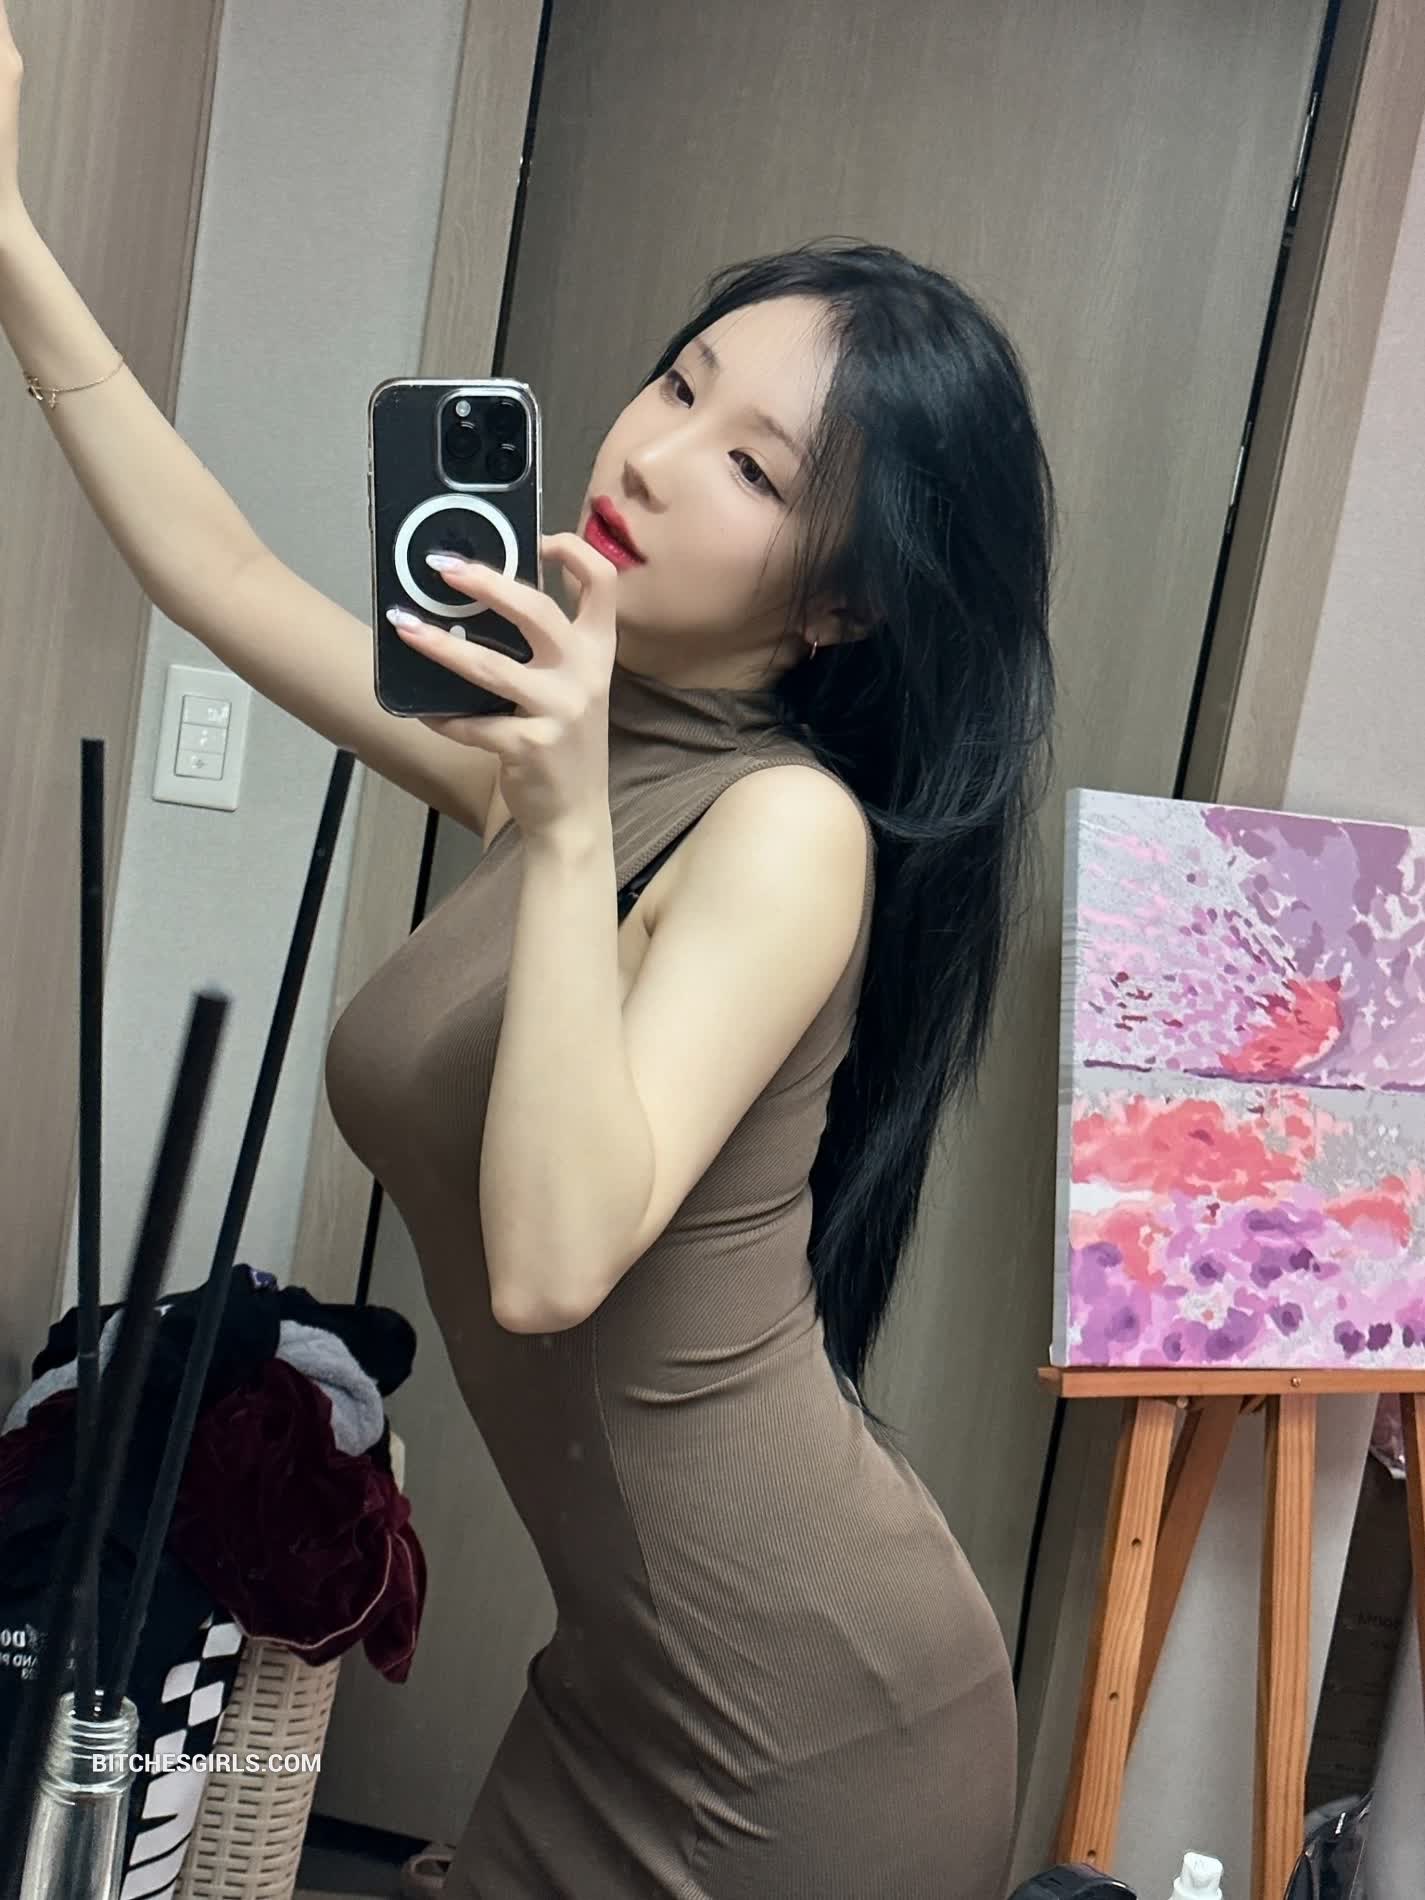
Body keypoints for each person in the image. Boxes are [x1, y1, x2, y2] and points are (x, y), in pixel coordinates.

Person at [0, 8, 1057, 1891]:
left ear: (842, 603)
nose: (649, 457)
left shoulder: (783, 830)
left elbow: (555, 1259)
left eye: (753, 470)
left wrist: (563, 821)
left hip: (811, 1730)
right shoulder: (570, 745)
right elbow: (223, 578)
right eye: (678, 384)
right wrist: (8, 238)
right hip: (631, 1682)